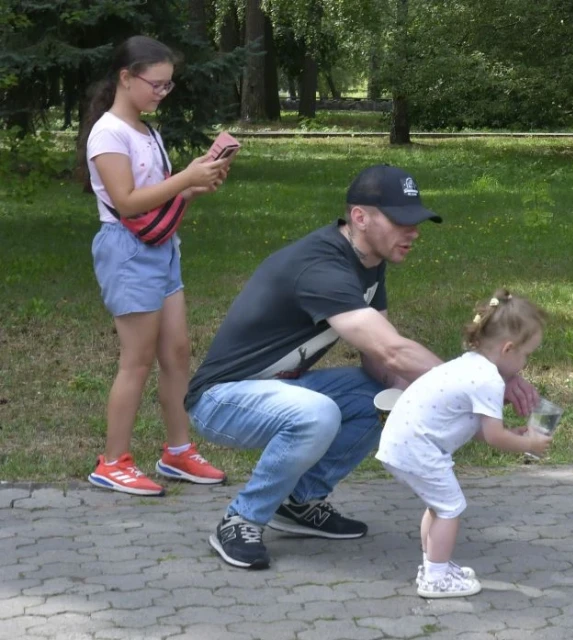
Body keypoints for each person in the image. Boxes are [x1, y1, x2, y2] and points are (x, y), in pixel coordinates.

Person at [184, 164, 540, 570]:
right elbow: (392, 351)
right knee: (316, 415)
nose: (414, 231)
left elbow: (378, 362)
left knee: (384, 397)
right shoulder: (321, 265)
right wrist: (484, 381)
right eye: (401, 220)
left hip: (279, 388)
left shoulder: (369, 262)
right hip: (222, 398)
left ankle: (300, 501)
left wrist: (476, 411)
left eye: (417, 221)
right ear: (360, 217)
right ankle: (241, 519)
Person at [82, 35, 229, 496]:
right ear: (126, 78)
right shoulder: (109, 132)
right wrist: (184, 178)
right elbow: (126, 204)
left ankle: (178, 452)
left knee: (177, 353)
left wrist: (194, 182)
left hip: (162, 247)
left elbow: (156, 200)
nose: (162, 94)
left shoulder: (147, 131)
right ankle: (113, 461)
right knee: (138, 360)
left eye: (168, 86)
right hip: (127, 251)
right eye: (156, 85)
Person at [376, 289, 552, 598]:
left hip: (405, 442)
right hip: (418, 447)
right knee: (451, 507)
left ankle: (434, 566)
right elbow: (496, 438)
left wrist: (515, 433)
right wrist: (531, 445)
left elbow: (483, 431)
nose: (525, 363)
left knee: (439, 505)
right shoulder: (489, 380)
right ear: (509, 348)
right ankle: (436, 578)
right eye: (527, 355)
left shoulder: (471, 365)